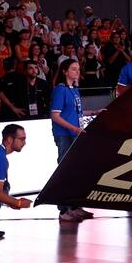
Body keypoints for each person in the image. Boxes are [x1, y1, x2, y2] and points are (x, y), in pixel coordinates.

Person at [50, 59, 92, 222]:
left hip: (74, 134)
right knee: (64, 171)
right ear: (64, 71)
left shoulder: (74, 89)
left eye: (78, 69)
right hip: (65, 135)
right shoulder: (60, 90)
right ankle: (63, 210)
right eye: (73, 69)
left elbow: (75, 112)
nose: (77, 72)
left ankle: (74, 206)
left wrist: (93, 112)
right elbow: (55, 115)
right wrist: (74, 129)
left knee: (75, 171)